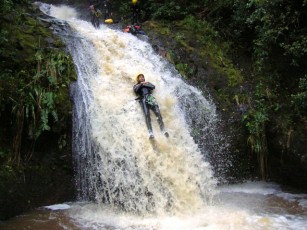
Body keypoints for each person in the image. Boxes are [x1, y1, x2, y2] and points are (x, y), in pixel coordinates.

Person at [133, 74, 169, 139]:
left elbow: (153, 87)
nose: (142, 78)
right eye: (140, 77)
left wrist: (145, 84)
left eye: (142, 77)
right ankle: (150, 132)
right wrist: (142, 84)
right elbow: (136, 90)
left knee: (158, 113)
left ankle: (163, 130)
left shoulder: (148, 83)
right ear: (138, 79)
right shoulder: (136, 85)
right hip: (143, 99)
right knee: (147, 114)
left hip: (150, 98)